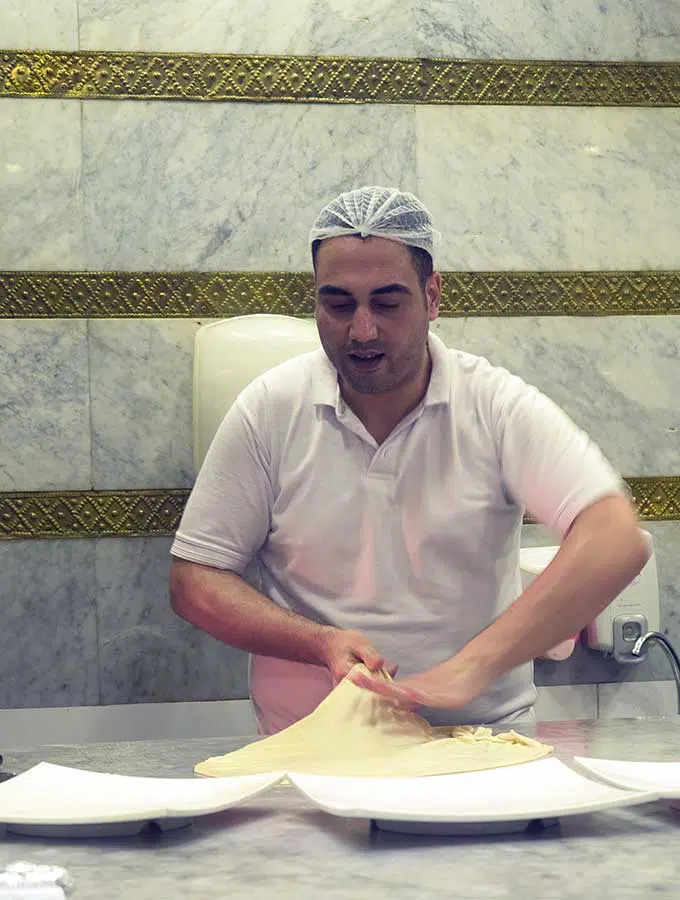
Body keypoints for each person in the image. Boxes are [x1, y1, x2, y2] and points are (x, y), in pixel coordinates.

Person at [169, 186, 648, 734]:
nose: (363, 330)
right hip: (311, 748)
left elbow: (616, 538)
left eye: (388, 303)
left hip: (480, 739)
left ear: (433, 296)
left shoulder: (493, 406)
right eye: (339, 304)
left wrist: (471, 668)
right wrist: (319, 642)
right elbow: (195, 581)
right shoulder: (270, 409)